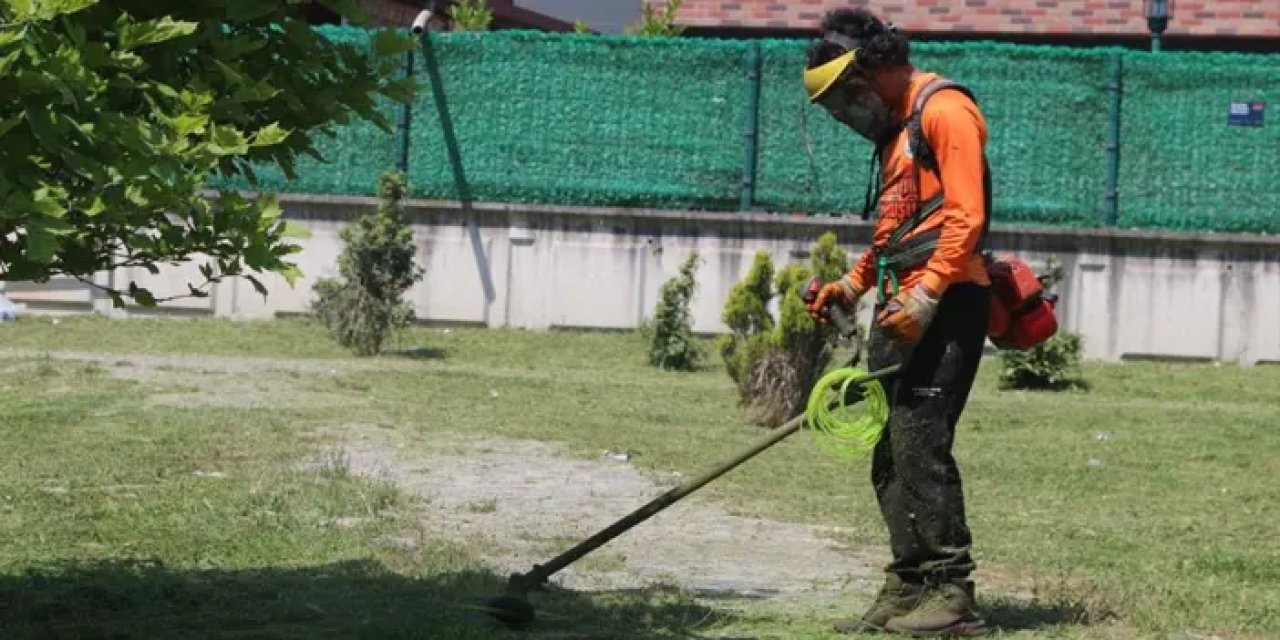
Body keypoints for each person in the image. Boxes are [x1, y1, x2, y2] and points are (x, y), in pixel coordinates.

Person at [803, 8, 993, 637]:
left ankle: (952, 592)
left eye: (847, 99)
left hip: (947, 307)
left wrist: (926, 298)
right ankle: (908, 584)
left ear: (875, 72)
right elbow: (894, 237)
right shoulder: (896, 137)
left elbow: (966, 217)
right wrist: (850, 285)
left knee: (921, 443)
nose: (846, 115)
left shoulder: (944, 110)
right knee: (887, 450)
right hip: (899, 306)